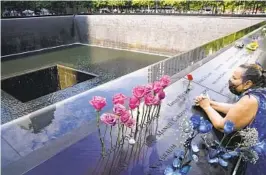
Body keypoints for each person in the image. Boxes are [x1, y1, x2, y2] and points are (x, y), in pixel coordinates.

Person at [194, 63, 266, 175]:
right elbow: (237, 110)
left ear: (247, 84)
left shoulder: (250, 100)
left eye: (234, 78)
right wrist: (211, 103)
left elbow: (222, 125)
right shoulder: (260, 92)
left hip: (256, 159)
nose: (230, 80)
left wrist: (206, 107)